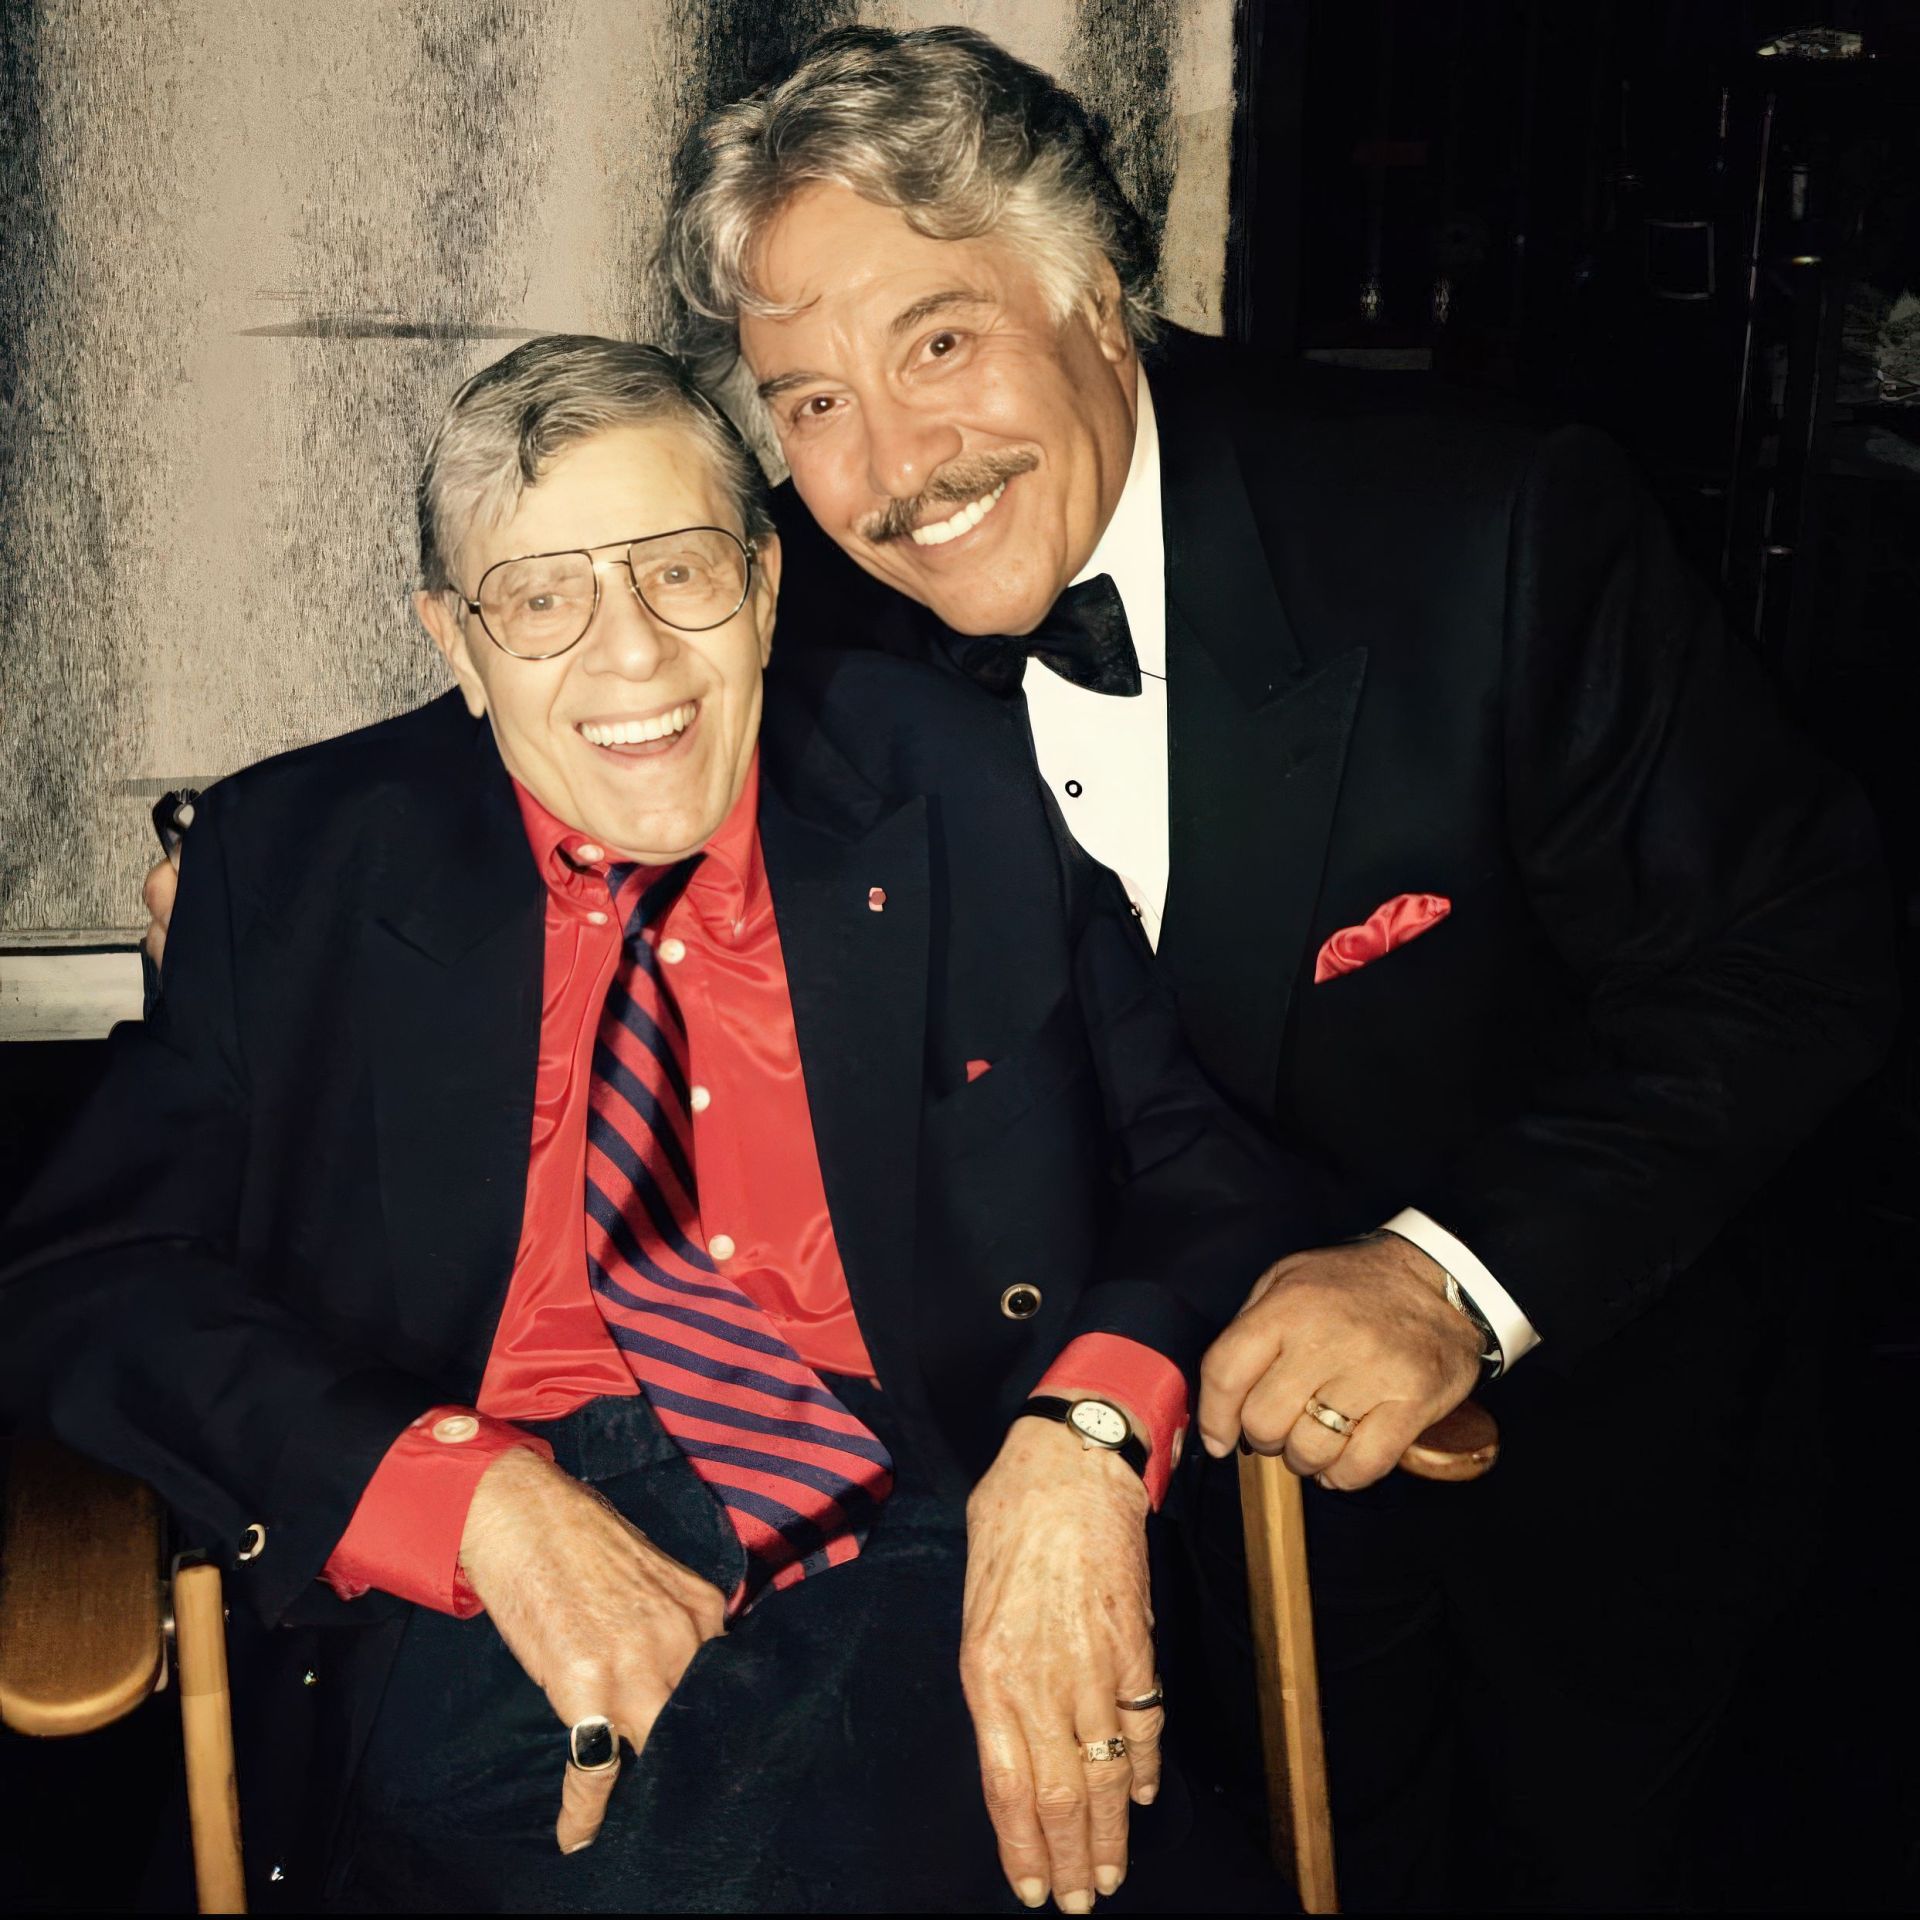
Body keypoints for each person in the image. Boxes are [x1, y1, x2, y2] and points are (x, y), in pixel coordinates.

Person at [644, 26, 1894, 1909]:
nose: (890, 468)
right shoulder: (805, 625)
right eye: (805, 400)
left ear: (1090, 291)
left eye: (938, 343)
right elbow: (545, 698)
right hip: (1122, 1499)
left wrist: (1445, 1276)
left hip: (1569, 1466)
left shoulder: (1487, 531)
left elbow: (1799, 957)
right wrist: (242, 873)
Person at [3, 336, 1329, 1914]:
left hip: (930, 1512)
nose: (631, 656)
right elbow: (87, 1274)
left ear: (766, 589)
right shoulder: (293, 862)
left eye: (682, 571)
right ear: (458, 643)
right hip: (493, 1581)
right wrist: (472, 1499)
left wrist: (1084, 1443)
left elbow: (1200, 1162)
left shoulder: (954, 784)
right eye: (543, 597)